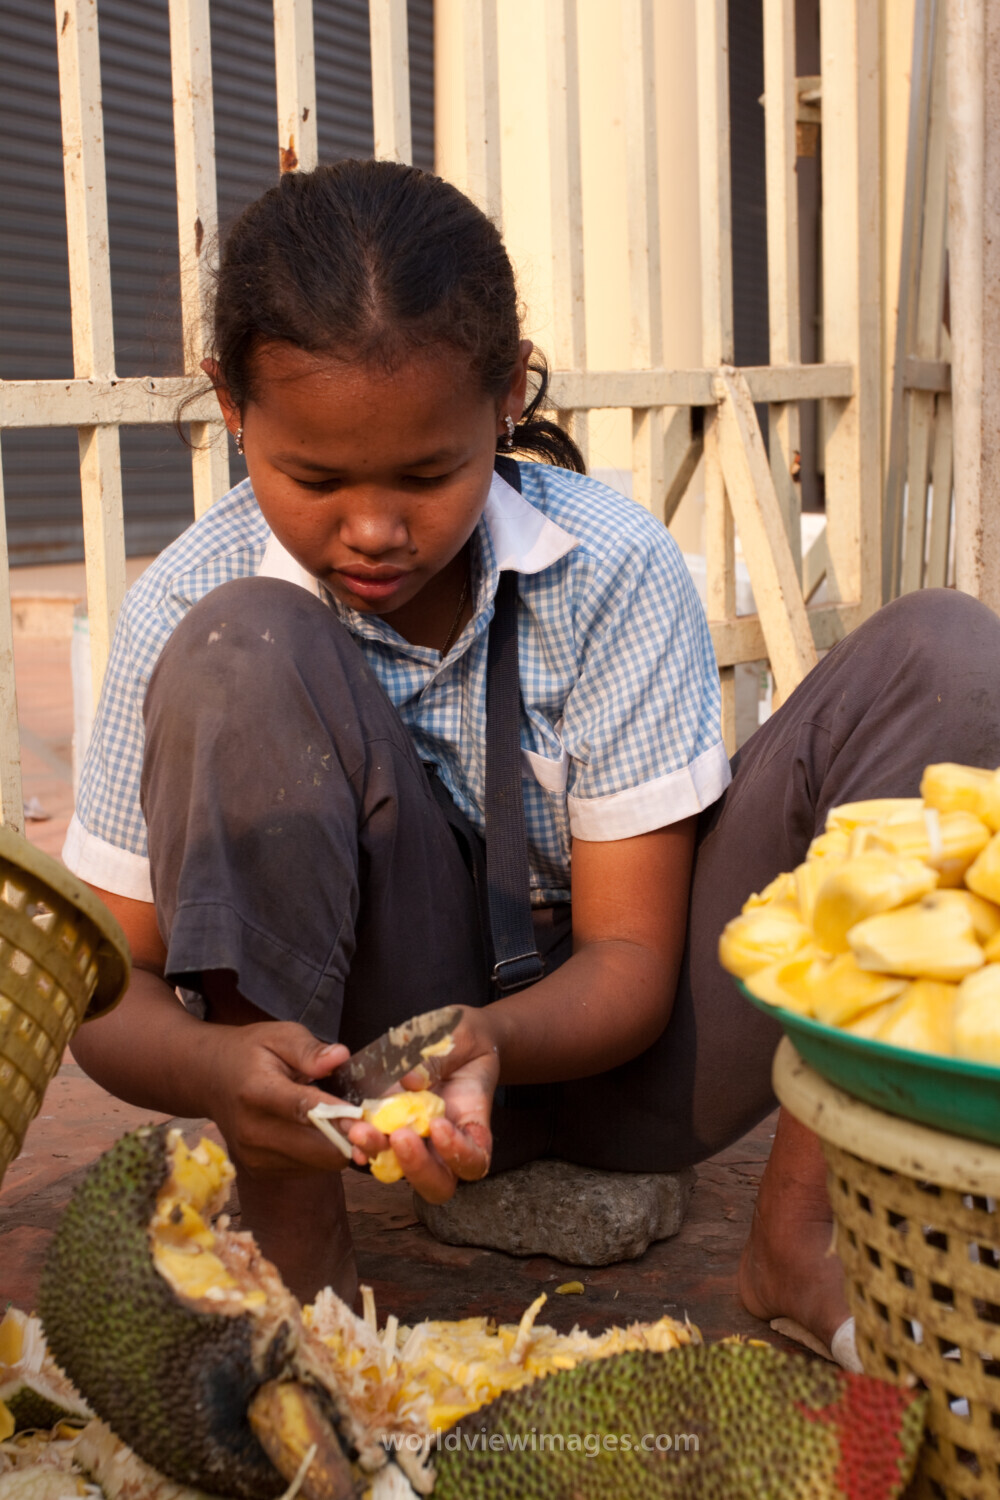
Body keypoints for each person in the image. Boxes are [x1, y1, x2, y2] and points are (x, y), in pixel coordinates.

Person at [64, 160, 1000, 1363]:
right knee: (243, 644)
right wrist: (216, 1065)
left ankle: (799, 1243)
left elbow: (630, 966)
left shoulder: (606, 566)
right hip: (366, 1086)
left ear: (509, 394)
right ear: (231, 408)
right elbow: (108, 1000)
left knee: (949, 656)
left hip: (636, 1067)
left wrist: (495, 1042)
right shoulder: (194, 598)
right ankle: (303, 1276)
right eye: (315, 478)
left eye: (426, 474)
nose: (373, 529)